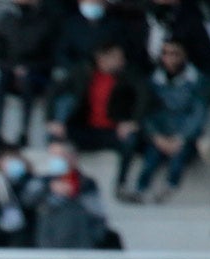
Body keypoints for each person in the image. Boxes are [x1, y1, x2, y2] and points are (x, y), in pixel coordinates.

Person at [45, 41, 148, 201]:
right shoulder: (83, 72)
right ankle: (59, 182)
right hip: (85, 128)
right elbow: (54, 91)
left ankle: (121, 185)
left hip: (112, 131)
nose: (121, 62)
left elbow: (144, 95)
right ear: (102, 58)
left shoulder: (128, 75)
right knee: (58, 139)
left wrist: (133, 121)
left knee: (130, 141)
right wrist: (52, 119)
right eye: (116, 58)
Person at [131, 38, 209, 203]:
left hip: (184, 135)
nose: (170, 58)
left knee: (179, 156)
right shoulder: (153, 81)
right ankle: (140, 189)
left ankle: (169, 186)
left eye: (175, 54)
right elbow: (147, 111)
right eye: (166, 54)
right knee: (151, 157)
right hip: (160, 133)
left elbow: (198, 113)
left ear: (184, 56)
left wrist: (182, 137)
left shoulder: (197, 82)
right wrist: (156, 136)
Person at [0, 0, 59, 148]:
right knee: (2, 81)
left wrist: (27, 68)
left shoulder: (46, 22)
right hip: (10, 71)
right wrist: (13, 67)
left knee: (28, 81)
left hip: (38, 75)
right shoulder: (6, 21)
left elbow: (51, 57)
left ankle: (24, 133)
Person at [21, 139, 113, 249]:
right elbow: (27, 201)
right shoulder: (41, 181)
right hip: (48, 242)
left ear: (73, 157)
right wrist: (48, 187)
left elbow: (97, 213)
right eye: (52, 155)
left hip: (81, 243)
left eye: (60, 155)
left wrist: (95, 237)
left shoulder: (86, 183)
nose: (55, 159)